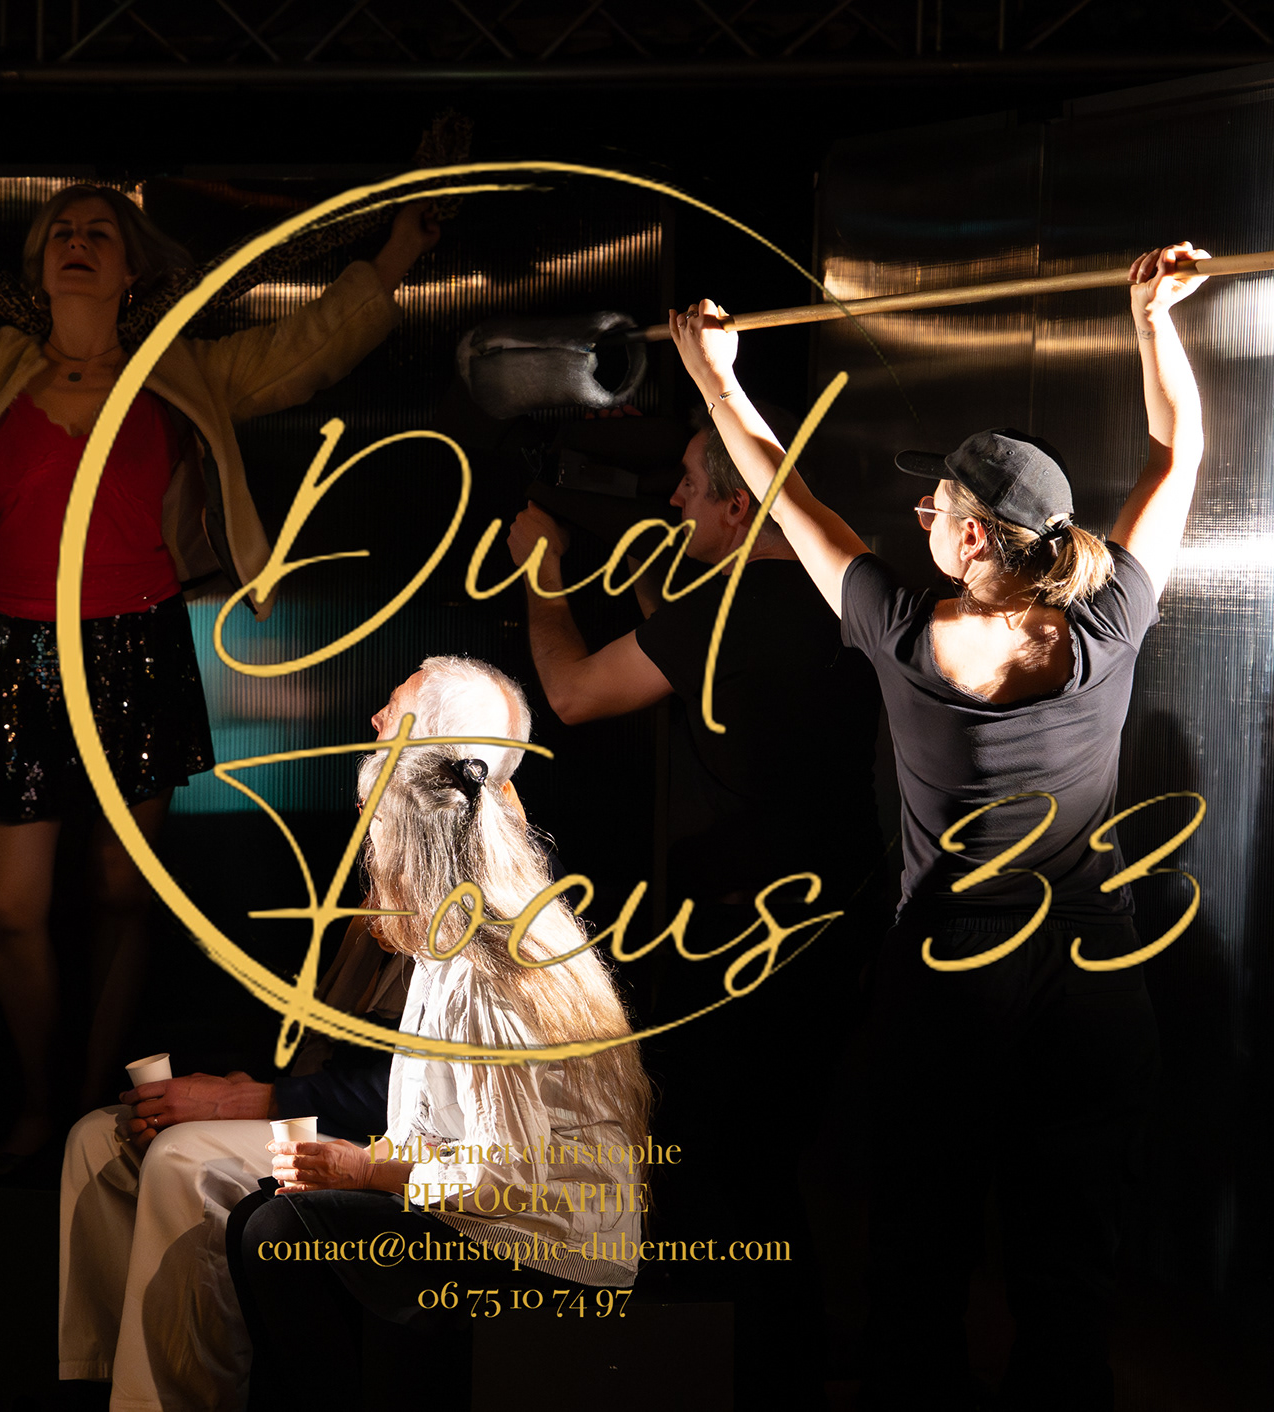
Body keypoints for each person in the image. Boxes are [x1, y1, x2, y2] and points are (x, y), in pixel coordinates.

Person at [0, 174, 440, 1171]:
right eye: (60, 233)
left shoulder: (178, 370)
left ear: (131, 270)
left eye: (98, 233)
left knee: (123, 893)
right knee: (10, 911)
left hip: (138, 645)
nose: (76, 242)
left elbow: (306, 350)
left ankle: (92, 1102)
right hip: (20, 651)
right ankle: (44, 1103)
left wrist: (399, 253)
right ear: (38, 266)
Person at [667, 241, 1209, 1409]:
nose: (921, 511)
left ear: (972, 540)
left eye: (939, 503)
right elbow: (1177, 454)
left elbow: (779, 485)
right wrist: (1151, 319)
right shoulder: (1111, 617)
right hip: (1090, 987)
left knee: (919, 1261)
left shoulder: (899, 630)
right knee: (1069, 1275)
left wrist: (714, 373)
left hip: (948, 991)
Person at [504, 411, 882, 1402]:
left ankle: (759, 1375)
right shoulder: (851, 588)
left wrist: (540, 571)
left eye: (687, 483)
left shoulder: (725, 610)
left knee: (723, 1171)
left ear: (739, 502)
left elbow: (574, 693)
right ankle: (802, 1362)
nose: (672, 498)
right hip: (845, 918)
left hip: (750, 940)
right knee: (782, 1161)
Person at [56, 656, 529, 1411]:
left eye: (395, 707)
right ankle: (101, 1385)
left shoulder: (482, 888)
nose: (374, 720)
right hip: (336, 1105)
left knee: (183, 1158)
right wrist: (251, 1088)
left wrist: (252, 1103)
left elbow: (425, 1094)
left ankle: (176, 1401)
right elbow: (338, 1041)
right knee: (98, 1140)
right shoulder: (392, 857)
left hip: (408, 1147)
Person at [228, 692, 654, 1408]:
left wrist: (365, 1170)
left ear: (409, 850)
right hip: (497, 1219)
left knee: (279, 1232)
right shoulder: (440, 949)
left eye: (375, 835)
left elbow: (510, 1178)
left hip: (549, 1247)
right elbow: (436, 1133)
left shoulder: (488, 967)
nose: (368, 857)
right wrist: (356, 1168)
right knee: (266, 1214)